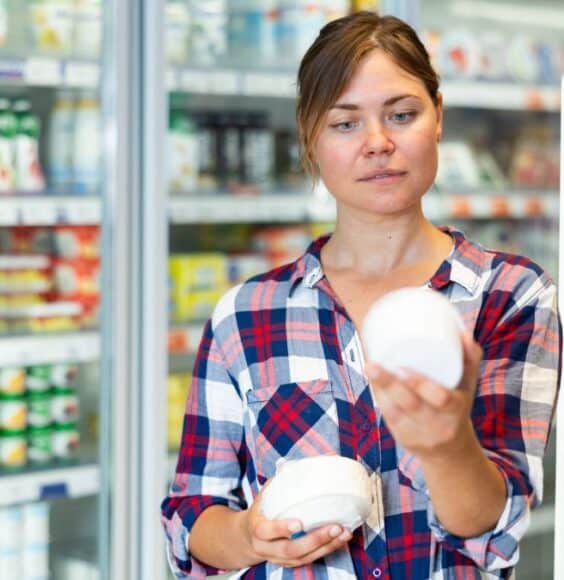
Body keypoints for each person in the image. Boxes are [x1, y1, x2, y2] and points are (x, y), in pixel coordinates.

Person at [161, 11, 561, 579]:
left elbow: (492, 530)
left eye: (401, 115)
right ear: (310, 136)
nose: (377, 143)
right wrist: (251, 536)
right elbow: (192, 516)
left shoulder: (511, 297)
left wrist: (448, 444)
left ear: (438, 116)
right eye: (345, 124)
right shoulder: (245, 316)